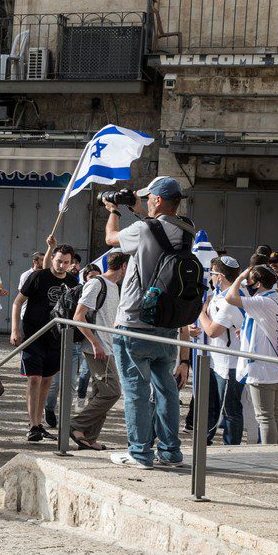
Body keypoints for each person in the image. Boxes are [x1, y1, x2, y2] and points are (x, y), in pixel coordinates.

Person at [103, 176, 197, 469]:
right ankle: (170, 453)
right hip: (166, 322)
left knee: (136, 392)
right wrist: (139, 210)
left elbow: (111, 239)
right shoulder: (187, 229)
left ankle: (140, 453)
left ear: (156, 199)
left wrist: (114, 211)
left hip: (135, 320)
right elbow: (159, 229)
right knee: (166, 389)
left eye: (148, 198)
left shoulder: (144, 228)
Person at [10, 241, 78, 442]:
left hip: (56, 339)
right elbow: (17, 302)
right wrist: (15, 329)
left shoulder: (73, 282)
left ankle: (39, 423)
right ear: (52, 259)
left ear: (70, 263)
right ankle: (32, 425)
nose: (61, 265)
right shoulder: (38, 276)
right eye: (58, 261)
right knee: (34, 379)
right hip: (33, 335)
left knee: (47, 380)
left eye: (65, 262)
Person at [223, 264, 278, 444]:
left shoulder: (262, 301)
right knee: (274, 415)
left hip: (263, 369)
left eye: (249, 280)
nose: (247, 283)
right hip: (276, 365)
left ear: (258, 284)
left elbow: (230, 297)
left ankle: (270, 455)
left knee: (265, 417)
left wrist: (239, 277)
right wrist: (246, 332)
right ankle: (276, 452)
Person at [69, 251, 127, 451]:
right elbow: (78, 316)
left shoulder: (114, 287)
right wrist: (95, 343)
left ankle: (88, 438)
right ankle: (76, 425)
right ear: (124, 267)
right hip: (98, 347)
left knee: (100, 393)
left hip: (108, 346)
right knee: (112, 392)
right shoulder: (96, 284)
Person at [202, 257, 247, 445]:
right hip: (216, 360)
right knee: (212, 406)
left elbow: (213, 331)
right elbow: (209, 319)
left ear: (220, 276)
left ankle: (232, 447)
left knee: (230, 411)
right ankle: (205, 442)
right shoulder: (222, 294)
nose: (210, 277)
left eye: (212, 274)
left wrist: (199, 313)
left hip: (230, 364)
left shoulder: (232, 300)